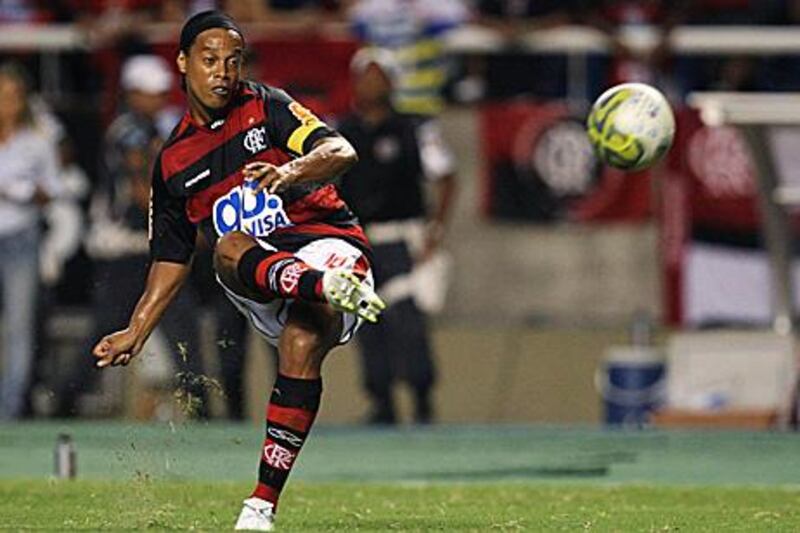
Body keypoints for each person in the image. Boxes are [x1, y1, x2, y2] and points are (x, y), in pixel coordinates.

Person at [90, 11, 384, 531]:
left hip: (324, 244)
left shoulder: (267, 104)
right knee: (226, 247)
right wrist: (137, 329)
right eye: (209, 60)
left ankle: (260, 506)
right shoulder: (173, 162)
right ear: (182, 63)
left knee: (298, 342)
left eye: (232, 60)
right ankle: (322, 289)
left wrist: (289, 170)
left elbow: (340, 149)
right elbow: (170, 257)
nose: (222, 71)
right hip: (259, 272)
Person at [55, 54, 210, 418]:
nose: (157, 99)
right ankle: (64, 401)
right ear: (133, 93)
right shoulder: (129, 132)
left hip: (149, 246)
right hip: (126, 246)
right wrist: (190, 228)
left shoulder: (158, 129)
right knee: (126, 325)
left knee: (178, 325)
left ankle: (202, 407)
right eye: (149, 92)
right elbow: (145, 194)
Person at [337, 48, 456, 424]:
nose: (372, 83)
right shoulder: (341, 131)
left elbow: (446, 177)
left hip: (403, 235)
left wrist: (434, 230)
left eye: (380, 76)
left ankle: (421, 398)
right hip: (359, 239)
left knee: (407, 320)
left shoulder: (415, 129)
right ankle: (381, 400)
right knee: (365, 320)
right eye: (366, 76)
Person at [0, 62, 62, 419]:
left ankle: (10, 410)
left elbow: (52, 189)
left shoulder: (37, 140)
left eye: (14, 97)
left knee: (19, 328)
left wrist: (29, 192)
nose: (9, 104)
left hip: (22, 236)